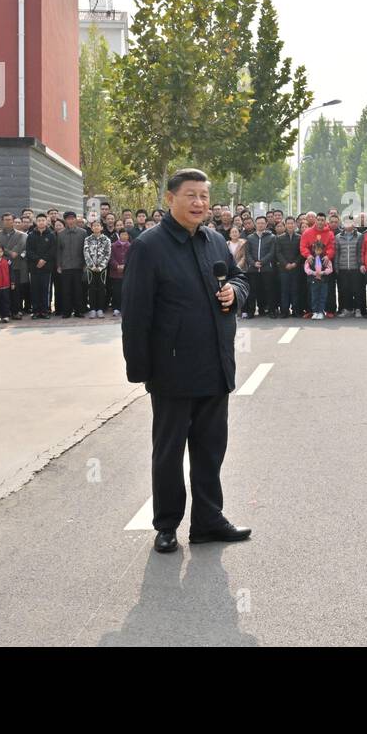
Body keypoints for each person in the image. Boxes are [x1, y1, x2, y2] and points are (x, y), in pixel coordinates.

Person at [120, 168, 251, 552]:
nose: (199, 203)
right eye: (191, 195)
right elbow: (136, 312)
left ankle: (209, 520)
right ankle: (166, 525)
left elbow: (239, 279)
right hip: (172, 370)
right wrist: (140, 370)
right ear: (170, 199)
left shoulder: (214, 241)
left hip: (215, 364)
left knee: (211, 450)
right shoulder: (149, 246)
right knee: (169, 452)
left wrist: (235, 295)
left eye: (204, 197)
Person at [0, 214, 28, 321]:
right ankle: (3, 312)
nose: (8, 221)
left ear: (13, 221)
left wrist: (11, 251)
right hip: (1, 267)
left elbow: (21, 246)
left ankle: (16, 311)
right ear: (2, 221)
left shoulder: (22, 235)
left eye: (10, 220)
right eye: (5, 220)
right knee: (2, 292)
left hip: (16, 266)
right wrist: (10, 252)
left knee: (16, 291)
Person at [25, 213, 57, 319]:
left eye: (43, 220)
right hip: (34, 267)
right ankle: (35, 311)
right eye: (39, 220)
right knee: (35, 289)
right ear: (36, 221)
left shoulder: (51, 235)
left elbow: (53, 250)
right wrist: (38, 260)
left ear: (46, 221)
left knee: (45, 289)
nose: (41, 222)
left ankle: (45, 311)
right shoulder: (31, 235)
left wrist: (44, 260)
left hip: (47, 267)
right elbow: (29, 251)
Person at [245, 215, 277, 319]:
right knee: (253, 291)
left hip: (267, 268)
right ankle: (251, 311)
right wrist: (254, 263)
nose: (260, 225)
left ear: (266, 224)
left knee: (269, 290)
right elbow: (247, 253)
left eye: (262, 223)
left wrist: (261, 262)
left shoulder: (272, 237)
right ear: (255, 224)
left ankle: (271, 311)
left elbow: (272, 253)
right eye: (258, 223)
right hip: (253, 269)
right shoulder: (250, 237)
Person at [333, 216, 363, 318]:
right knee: (345, 290)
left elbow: (361, 252)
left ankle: (358, 309)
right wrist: (336, 266)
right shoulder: (338, 237)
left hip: (356, 267)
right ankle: (348, 309)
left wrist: (361, 265)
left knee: (357, 289)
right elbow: (336, 253)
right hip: (343, 267)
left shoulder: (360, 236)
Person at [273, 217, 303, 318]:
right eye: (288, 223)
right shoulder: (280, 238)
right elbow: (278, 253)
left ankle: (296, 310)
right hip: (283, 268)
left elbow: (301, 253)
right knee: (284, 290)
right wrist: (285, 264)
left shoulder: (300, 237)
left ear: (295, 225)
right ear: (285, 225)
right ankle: (284, 311)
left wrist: (295, 263)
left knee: (295, 290)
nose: (290, 225)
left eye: (292, 223)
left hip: (296, 268)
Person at [84, 220, 112, 319]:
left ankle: (100, 309)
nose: (96, 227)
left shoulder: (106, 240)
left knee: (101, 288)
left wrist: (100, 266)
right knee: (91, 288)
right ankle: (92, 309)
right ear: (91, 228)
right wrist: (92, 266)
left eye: (98, 225)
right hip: (90, 268)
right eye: (94, 226)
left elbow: (107, 254)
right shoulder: (87, 239)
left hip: (102, 268)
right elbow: (86, 253)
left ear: (101, 228)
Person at [303, 237, 333, 320]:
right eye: (316, 249)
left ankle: (320, 311)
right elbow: (306, 269)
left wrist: (323, 272)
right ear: (313, 249)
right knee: (314, 296)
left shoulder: (326, 259)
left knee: (322, 296)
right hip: (313, 280)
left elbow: (330, 269)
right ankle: (315, 312)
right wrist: (314, 273)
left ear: (323, 250)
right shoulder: (310, 259)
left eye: (320, 250)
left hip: (323, 280)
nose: (318, 251)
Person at [109, 227, 131, 317]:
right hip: (116, 273)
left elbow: (132, 258)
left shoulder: (131, 246)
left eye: (126, 234)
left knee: (126, 291)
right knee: (116, 291)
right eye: (122, 234)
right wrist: (117, 265)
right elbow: (111, 258)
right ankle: (116, 308)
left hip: (127, 272)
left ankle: (125, 308)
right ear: (119, 235)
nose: (124, 236)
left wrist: (125, 265)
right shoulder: (113, 246)